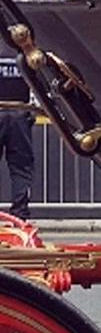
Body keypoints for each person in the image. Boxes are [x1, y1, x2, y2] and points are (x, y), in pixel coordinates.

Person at [0, 50, 33, 221]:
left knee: (21, 169)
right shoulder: (23, 50)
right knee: (21, 169)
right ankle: (20, 216)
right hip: (20, 111)